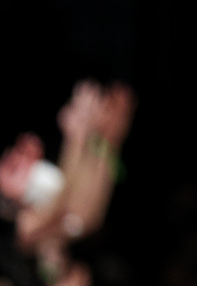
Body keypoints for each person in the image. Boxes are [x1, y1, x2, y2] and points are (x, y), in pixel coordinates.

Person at [0, 80, 135, 286]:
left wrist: (101, 137)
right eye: (12, 166)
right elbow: (75, 215)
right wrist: (83, 138)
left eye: (13, 156)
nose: (19, 158)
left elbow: (76, 212)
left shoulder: (46, 202)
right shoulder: (23, 231)